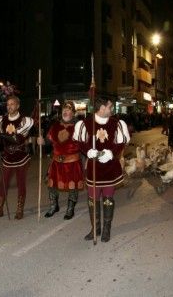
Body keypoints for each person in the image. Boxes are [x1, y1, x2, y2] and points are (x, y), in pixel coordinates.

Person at [73, 97, 130, 242]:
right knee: (93, 199)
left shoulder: (117, 123)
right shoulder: (85, 124)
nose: (112, 110)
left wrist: (112, 152)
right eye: (110, 107)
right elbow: (80, 142)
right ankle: (95, 228)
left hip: (110, 167)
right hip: (94, 168)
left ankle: (106, 229)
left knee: (108, 199)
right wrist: (88, 151)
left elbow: (121, 142)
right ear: (102, 108)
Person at [0, 95, 34, 220]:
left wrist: (1, 136)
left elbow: (16, 138)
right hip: (7, 157)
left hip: (21, 156)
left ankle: (20, 209)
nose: (9, 107)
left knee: (21, 183)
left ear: (18, 106)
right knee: (3, 184)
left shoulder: (25, 120)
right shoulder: (0, 120)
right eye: (8, 104)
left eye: (12, 104)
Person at [37, 101, 84, 219]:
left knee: (72, 186)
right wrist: (42, 142)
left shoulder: (78, 127)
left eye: (69, 109)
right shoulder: (55, 126)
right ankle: (54, 206)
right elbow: (49, 141)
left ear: (73, 113)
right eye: (64, 109)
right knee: (52, 185)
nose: (65, 111)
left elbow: (85, 144)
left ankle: (70, 208)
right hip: (56, 161)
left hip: (72, 162)